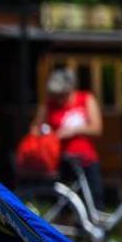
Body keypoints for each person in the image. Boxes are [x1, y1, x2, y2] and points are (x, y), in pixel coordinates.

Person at [30, 68, 105, 214]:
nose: (59, 99)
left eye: (62, 95)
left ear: (70, 89)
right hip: (59, 159)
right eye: (56, 95)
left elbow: (97, 128)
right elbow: (34, 128)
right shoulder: (49, 104)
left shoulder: (85, 99)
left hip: (86, 158)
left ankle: (92, 226)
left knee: (94, 199)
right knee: (62, 204)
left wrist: (73, 131)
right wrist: (48, 136)